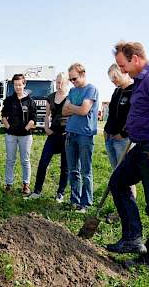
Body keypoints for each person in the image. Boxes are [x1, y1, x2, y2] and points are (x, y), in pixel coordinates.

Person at [106, 41, 149, 254]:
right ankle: (132, 237)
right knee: (117, 182)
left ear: (136, 59)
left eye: (123, 66)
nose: (121, 70)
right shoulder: (139, 82)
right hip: (140, 147)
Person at [62, 63, 99, 213]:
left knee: (85, 171)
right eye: (71, 79)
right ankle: (74, 200)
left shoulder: (91, 89)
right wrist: (74, 108)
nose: (73, 82)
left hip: (85, 135)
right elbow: (64, 111)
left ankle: (86, 203)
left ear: (83, 74)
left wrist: (73, 108)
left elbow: (84, 110)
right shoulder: (72, 90)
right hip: (71, 134)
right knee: (72, 170)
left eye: (75, 78)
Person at [26, 72, 69, 200]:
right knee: (43, 161)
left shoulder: (71, 97)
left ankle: (60, 193)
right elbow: (47, 115)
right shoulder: (50, 97)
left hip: (67, 134)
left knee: (65, 166)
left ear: (67, 83)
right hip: (53, 133)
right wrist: (46, 128)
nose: (59, 85)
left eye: (61, 82)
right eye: (57, 82)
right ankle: (37, 191)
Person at [104, 64, 136, 204]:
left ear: (124, 72)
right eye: (111, 78)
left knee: (126, 175)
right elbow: (111, 113)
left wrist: (123, 133)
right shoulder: (116, 92)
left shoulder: (134, 91)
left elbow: (134, 116)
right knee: (116, 173)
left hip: (123, 140)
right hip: (110, 138)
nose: (113, 80)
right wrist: (106, 130)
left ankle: (130, 205)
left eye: (115, 77)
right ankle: (121, 206)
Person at [1, 74, 36, 195]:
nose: (18, 87)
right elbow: (3, 116)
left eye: (20, 84)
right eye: (15, 85)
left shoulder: (30, 101)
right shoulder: (9, 100)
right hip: (11, 135)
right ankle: (8, 184)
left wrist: (25, 129)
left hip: (26, 136)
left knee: (25, 160)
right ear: (13, 85)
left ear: (24, 84)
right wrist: (9, 128)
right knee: (10, 160)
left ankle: (26, 184)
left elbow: (33, 119)